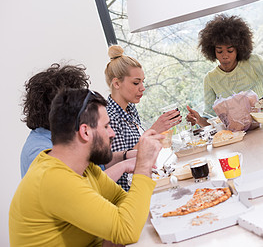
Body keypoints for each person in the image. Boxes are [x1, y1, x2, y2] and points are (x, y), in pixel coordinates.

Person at [10, 88, 163, 246]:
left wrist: (114, 230)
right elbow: (127, 230)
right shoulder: (54, 179)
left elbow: (121, 199)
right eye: (106, 126)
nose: (112, 133)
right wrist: (143, 165)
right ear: (85, 132)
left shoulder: (85, 167)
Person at [20, 63, 136, 182]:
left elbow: (96, 167)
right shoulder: (40, 152)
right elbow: (82, 187)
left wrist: (125, 156)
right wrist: (124, 166)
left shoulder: (65, 135)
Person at [105, 45, 182, 191]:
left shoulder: (130, 109)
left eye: (142, 82)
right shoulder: (109, 118)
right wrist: (154, 130)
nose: (142, 88)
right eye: (136, 83)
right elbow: (118, 166)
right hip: (128, 191)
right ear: (116, 83)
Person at [186, 14, 263, 127]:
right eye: (219, 51)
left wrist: (254, 106)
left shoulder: (254, 61)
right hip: (236, 134)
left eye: (230, 50)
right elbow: (210, 118)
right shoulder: (210, 79)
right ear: (212, 51)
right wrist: (198, 120)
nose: (225, 56)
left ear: (238, 48)